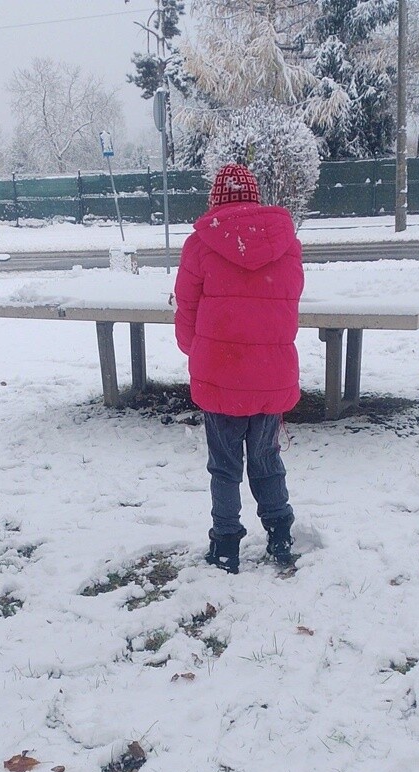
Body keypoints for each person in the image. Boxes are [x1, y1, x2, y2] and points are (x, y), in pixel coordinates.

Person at [174, 162, 304, 573]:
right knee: (266, 459)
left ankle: (226, 544)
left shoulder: (200, 244)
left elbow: (186, 308)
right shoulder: (286, 243)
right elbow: (287, 305)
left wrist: (195, 351)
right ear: (255, 197)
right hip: (270, 373)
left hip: (221, 374)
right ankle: (280, 535)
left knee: (224, 466)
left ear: (215, 199)